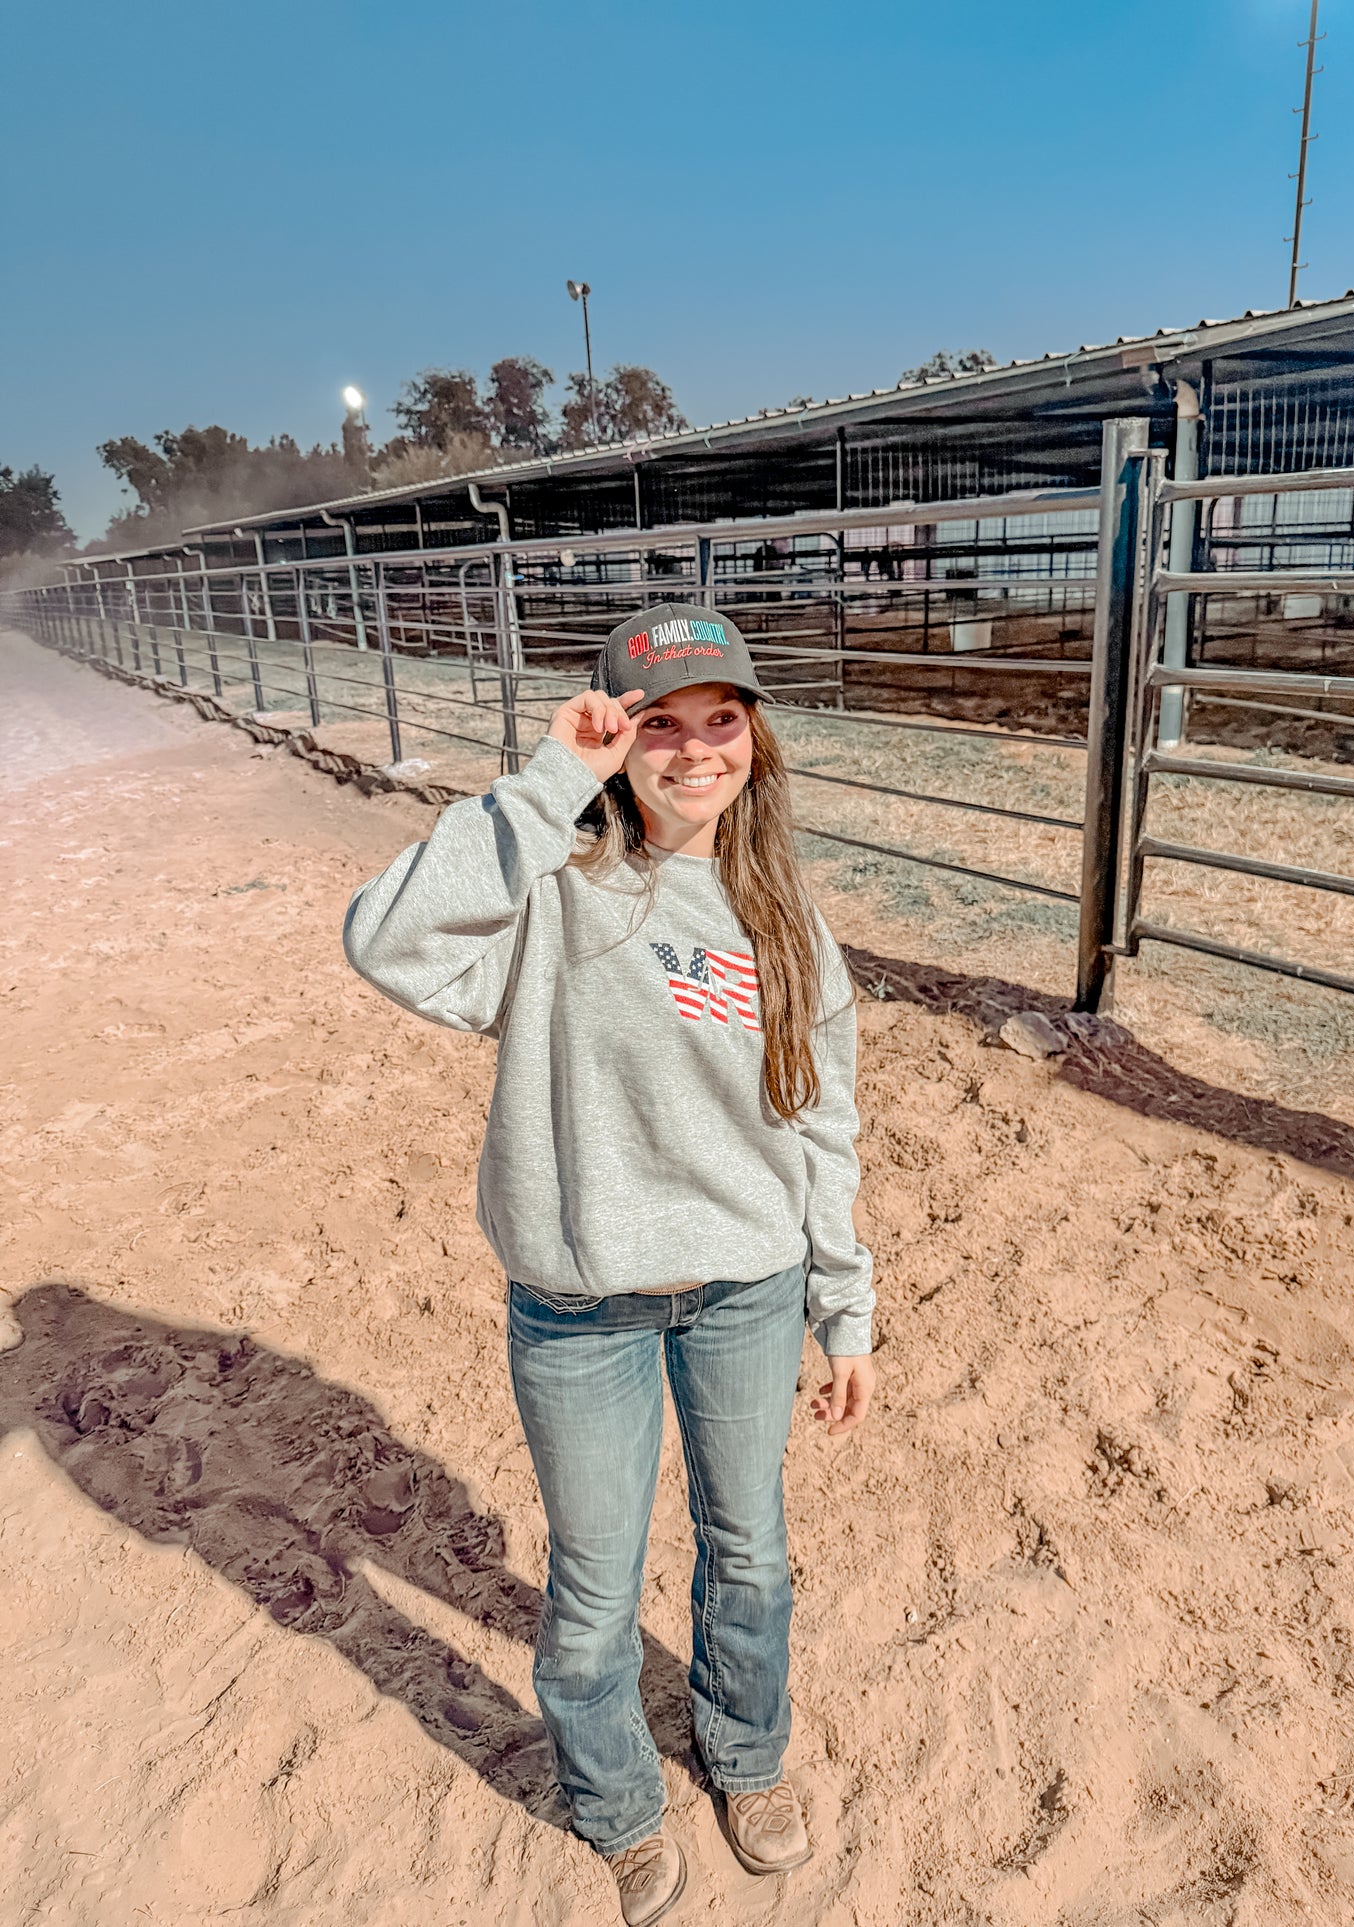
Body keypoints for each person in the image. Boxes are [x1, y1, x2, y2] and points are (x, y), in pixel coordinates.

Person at [343, 602, 875, 1925]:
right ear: (616, 735)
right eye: (660, 724)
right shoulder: (552, 891)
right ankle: (617, 1804)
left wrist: (842, 1303)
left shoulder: (785, 920)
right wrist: (546, 780)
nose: (696, 751)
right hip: (580, 1310)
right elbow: (385, 938)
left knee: (747, 1553)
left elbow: (820, 1119)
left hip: (745, 1292)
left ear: (754, 734)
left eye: (722, 719)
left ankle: (745, 1759)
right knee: (591, 1586)